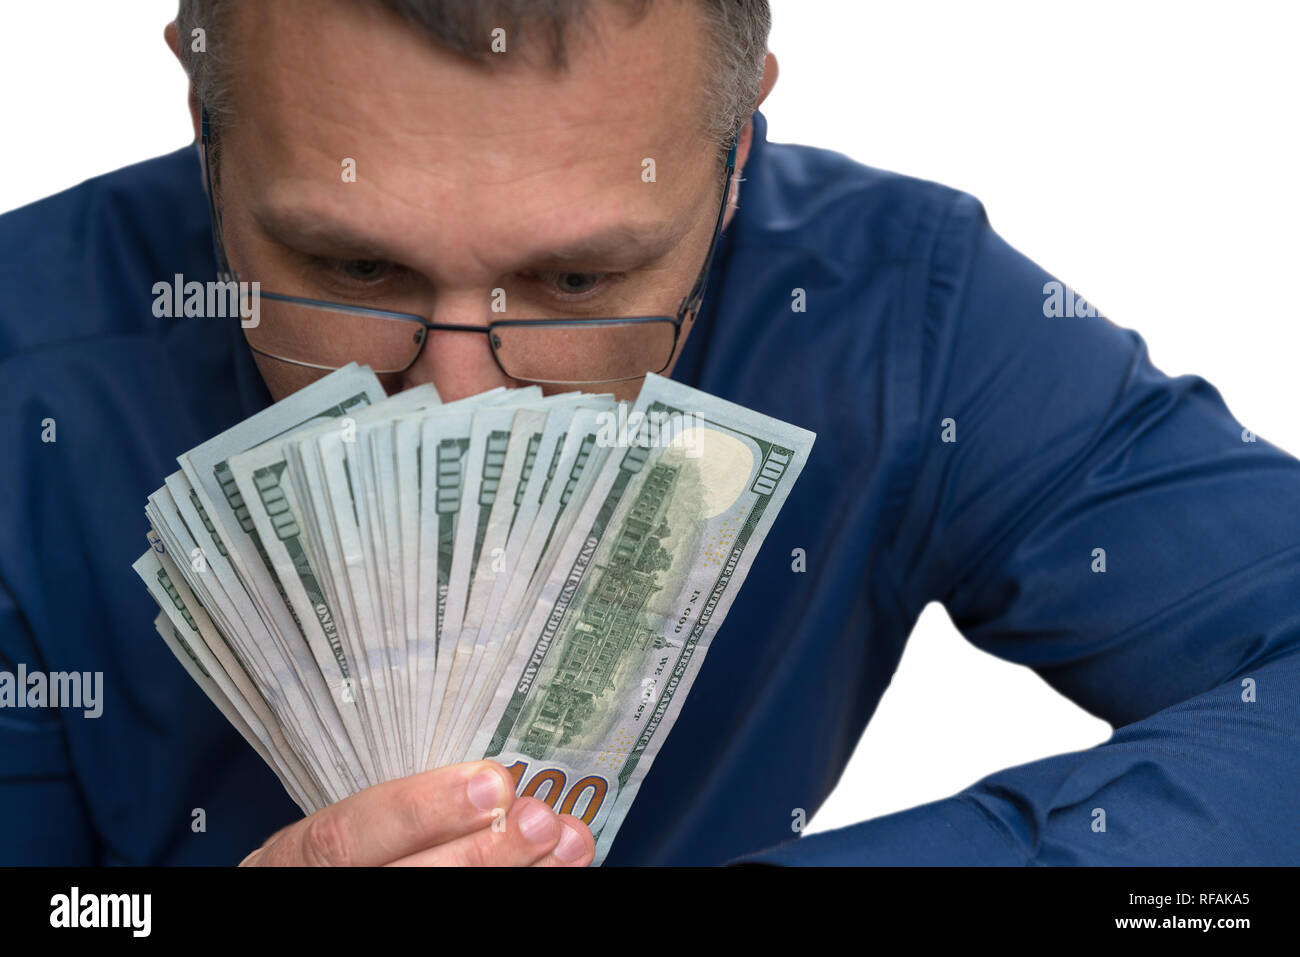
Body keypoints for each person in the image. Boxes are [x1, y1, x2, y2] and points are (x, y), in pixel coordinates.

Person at [1, 0, 1297, 867]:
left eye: (576, 284)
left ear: (735, 153)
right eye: (348, 266)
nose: (464, 403)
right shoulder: (25, 388)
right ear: (201, 116)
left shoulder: (908, 314)